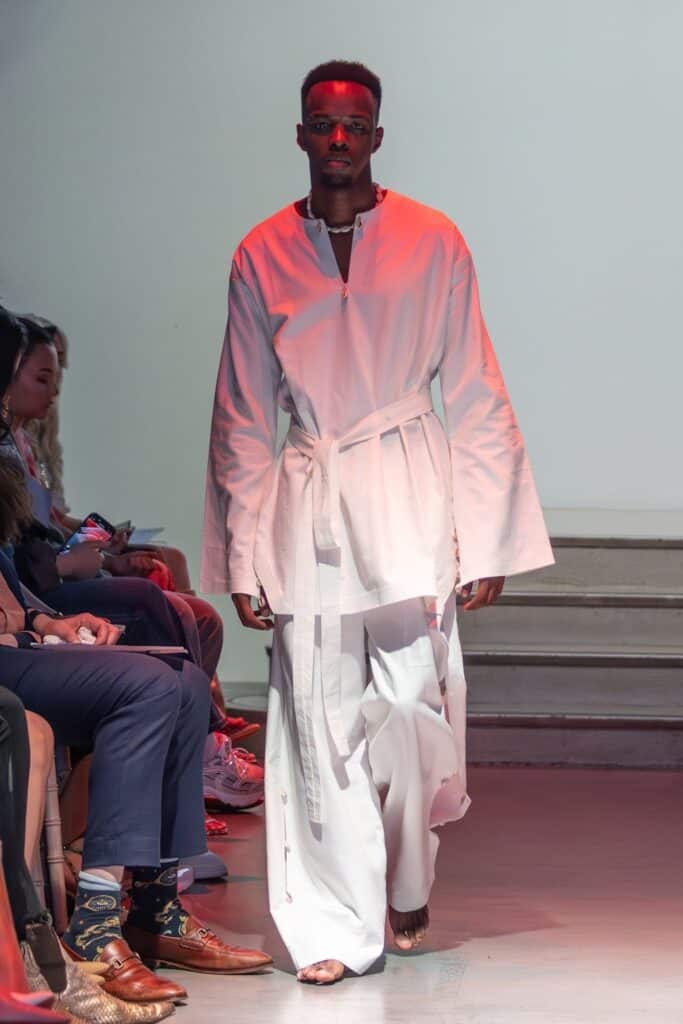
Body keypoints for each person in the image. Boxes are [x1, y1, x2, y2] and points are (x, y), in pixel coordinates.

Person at [202, 60, 554, 984]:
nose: (338, 139)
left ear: (377, 136)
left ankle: (405, 873)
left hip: (406, 493)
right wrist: (243, 553)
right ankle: (330, 924)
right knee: (316, 721)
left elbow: (474, 388)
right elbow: (242, 412)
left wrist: (485, 536)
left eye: (354, 125)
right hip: (310, 496)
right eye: (322, 123)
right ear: (299, 134)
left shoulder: (433, 239)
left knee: (408, 708)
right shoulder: (260, 252)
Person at [0, 307, 272, 1002]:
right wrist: (34, 622)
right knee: (149, 684)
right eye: (35, 374)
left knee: (181, 680)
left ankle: (154, 907)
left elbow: (12, 579)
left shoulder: (13, 454)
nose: (49, 390)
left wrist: (49, 621)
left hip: (19, 638)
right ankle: (96, 921)